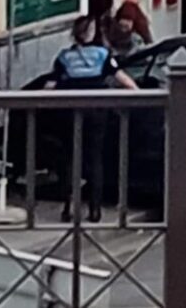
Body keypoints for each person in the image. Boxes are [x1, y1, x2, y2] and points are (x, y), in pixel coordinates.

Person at [49, 16, 138, 222]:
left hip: (70, 111)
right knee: (95, 158)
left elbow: (50, 87)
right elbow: (124, 81)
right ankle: (95, 210)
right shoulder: (103, 55)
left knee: (71, 158)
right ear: (93, 33)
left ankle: (69, 208)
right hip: (97, 112)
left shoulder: (64, 57)